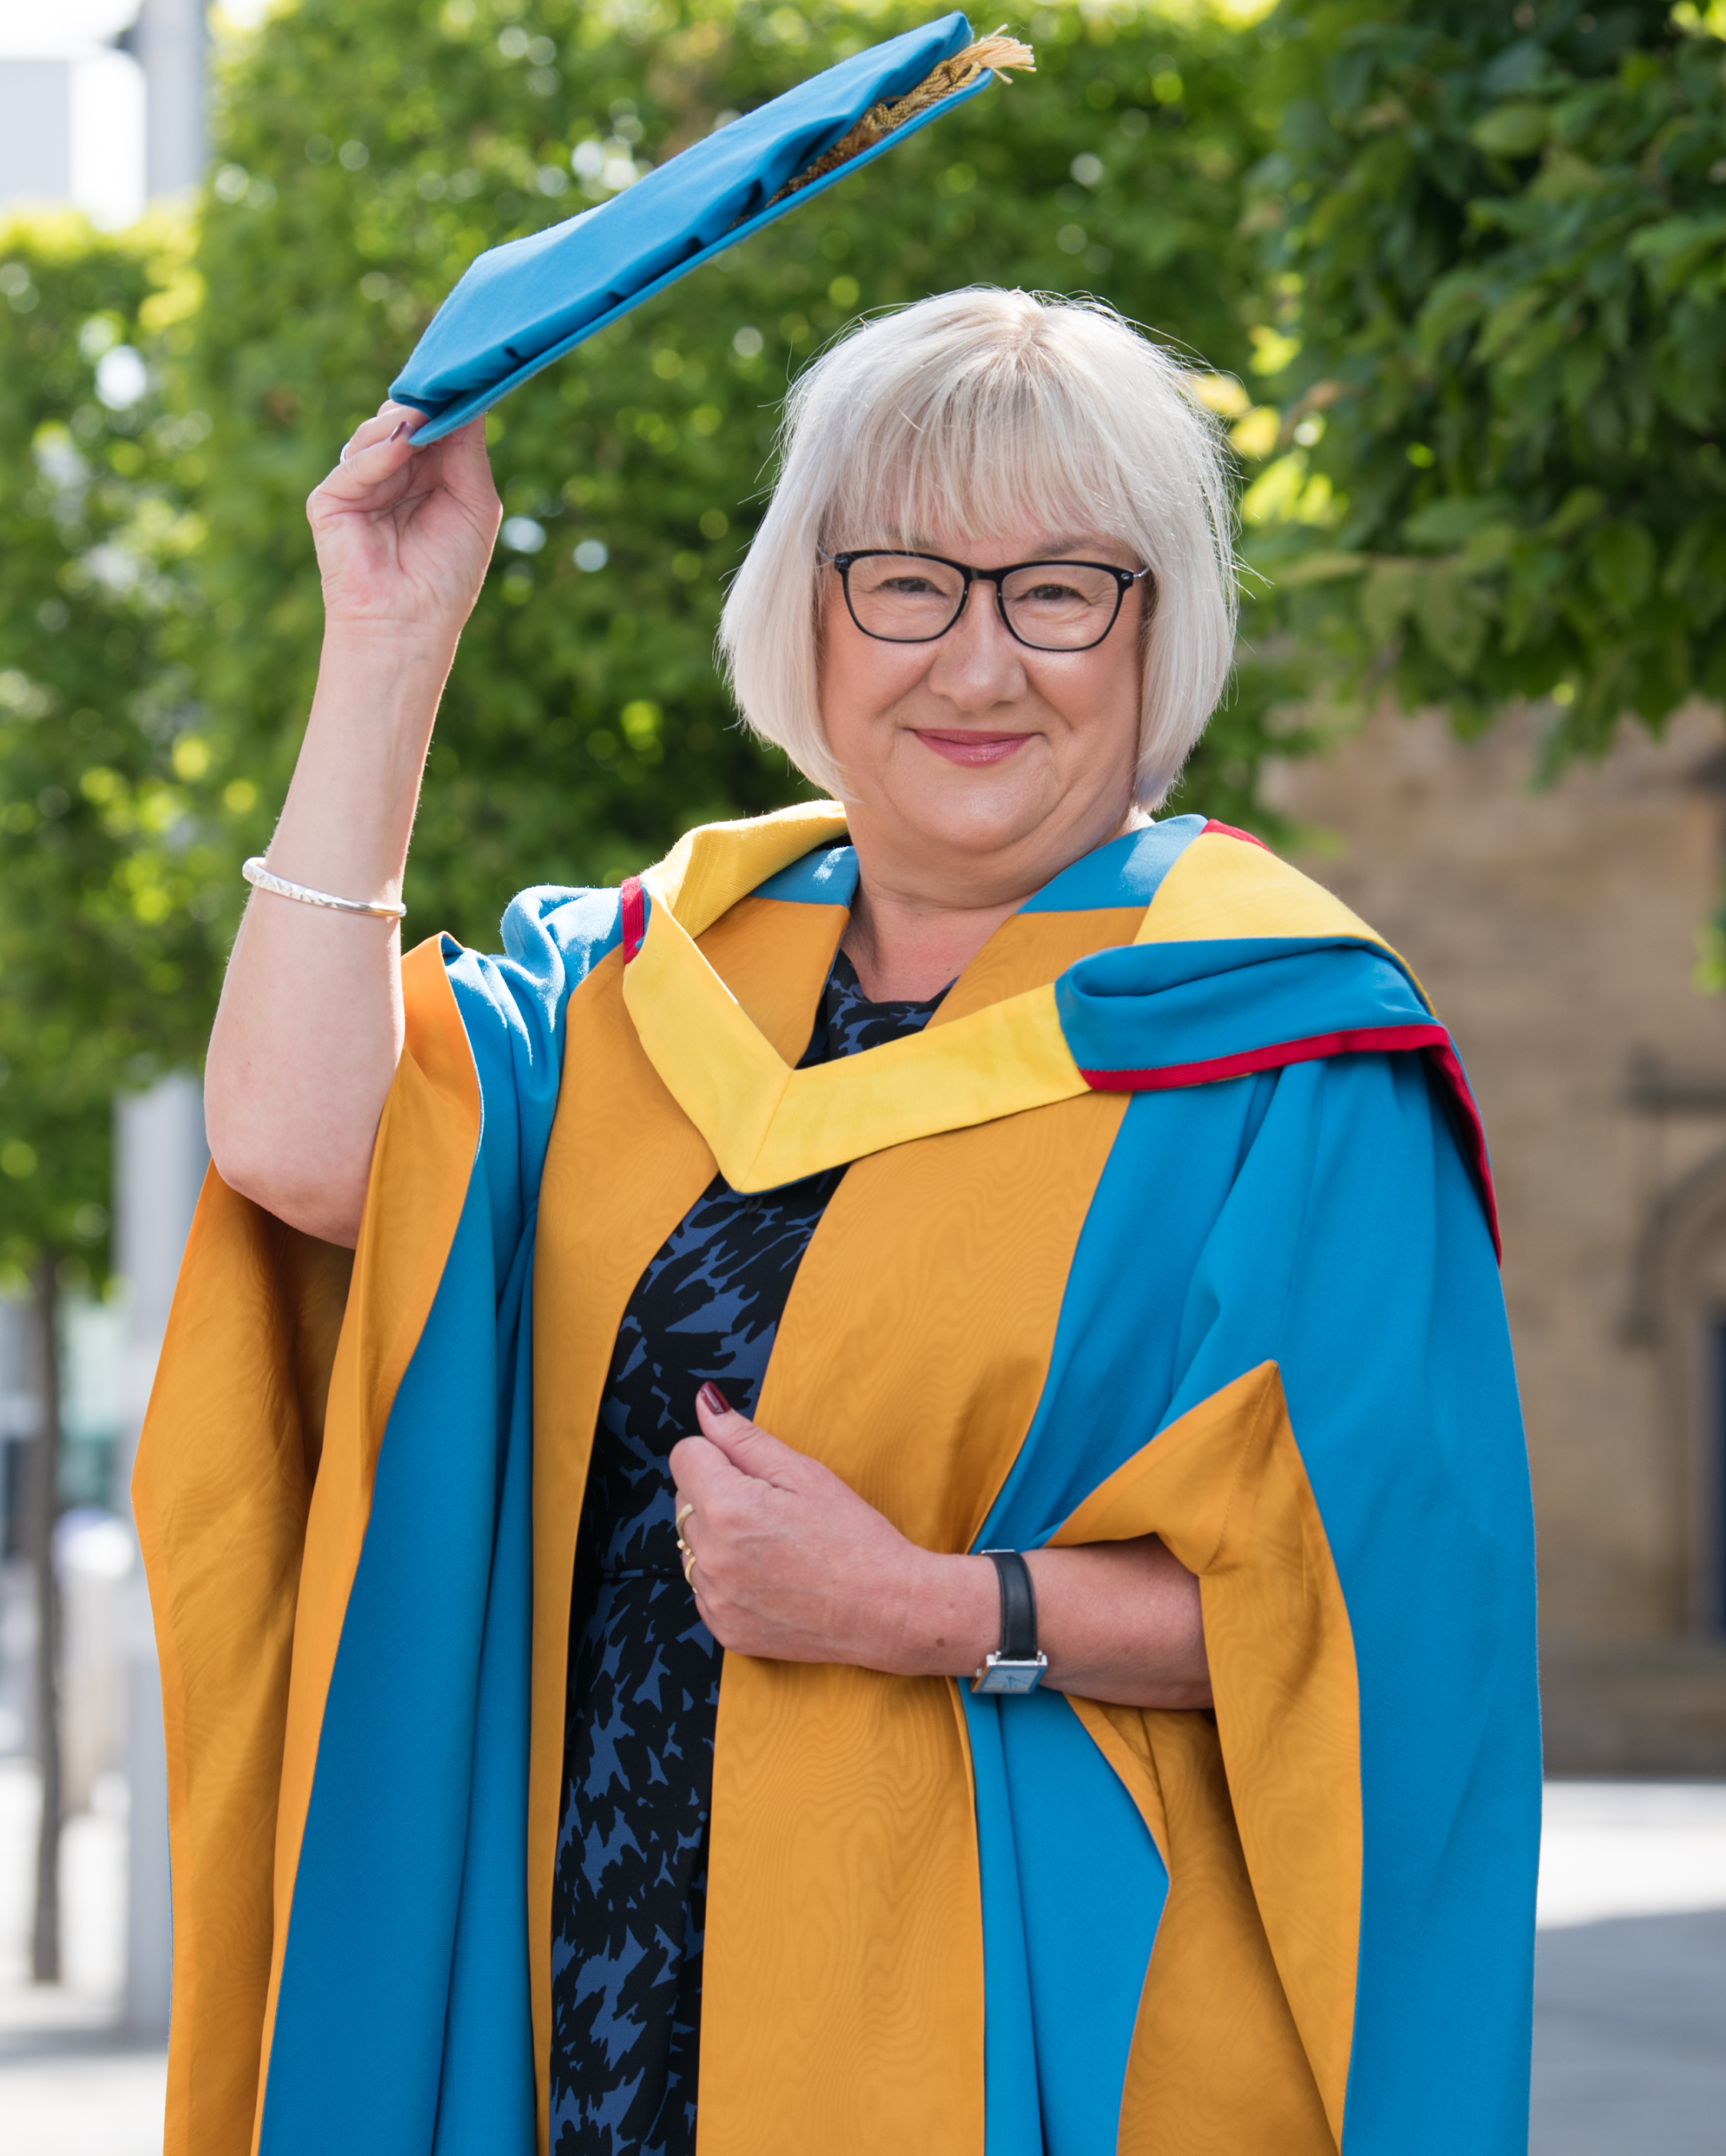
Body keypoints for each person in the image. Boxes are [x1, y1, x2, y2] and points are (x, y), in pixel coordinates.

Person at [136, 289, 1540, 2156]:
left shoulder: (1284, 1059)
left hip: (1020, 2023)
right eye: (906, 582)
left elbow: (1382, 1617)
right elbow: (300, 1145)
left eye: (1060, 589)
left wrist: (936, 1610)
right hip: (604, 1998)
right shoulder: (636, 987)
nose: (977, 664)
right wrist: (392, 641)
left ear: (1154, 632)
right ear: (809, 610)